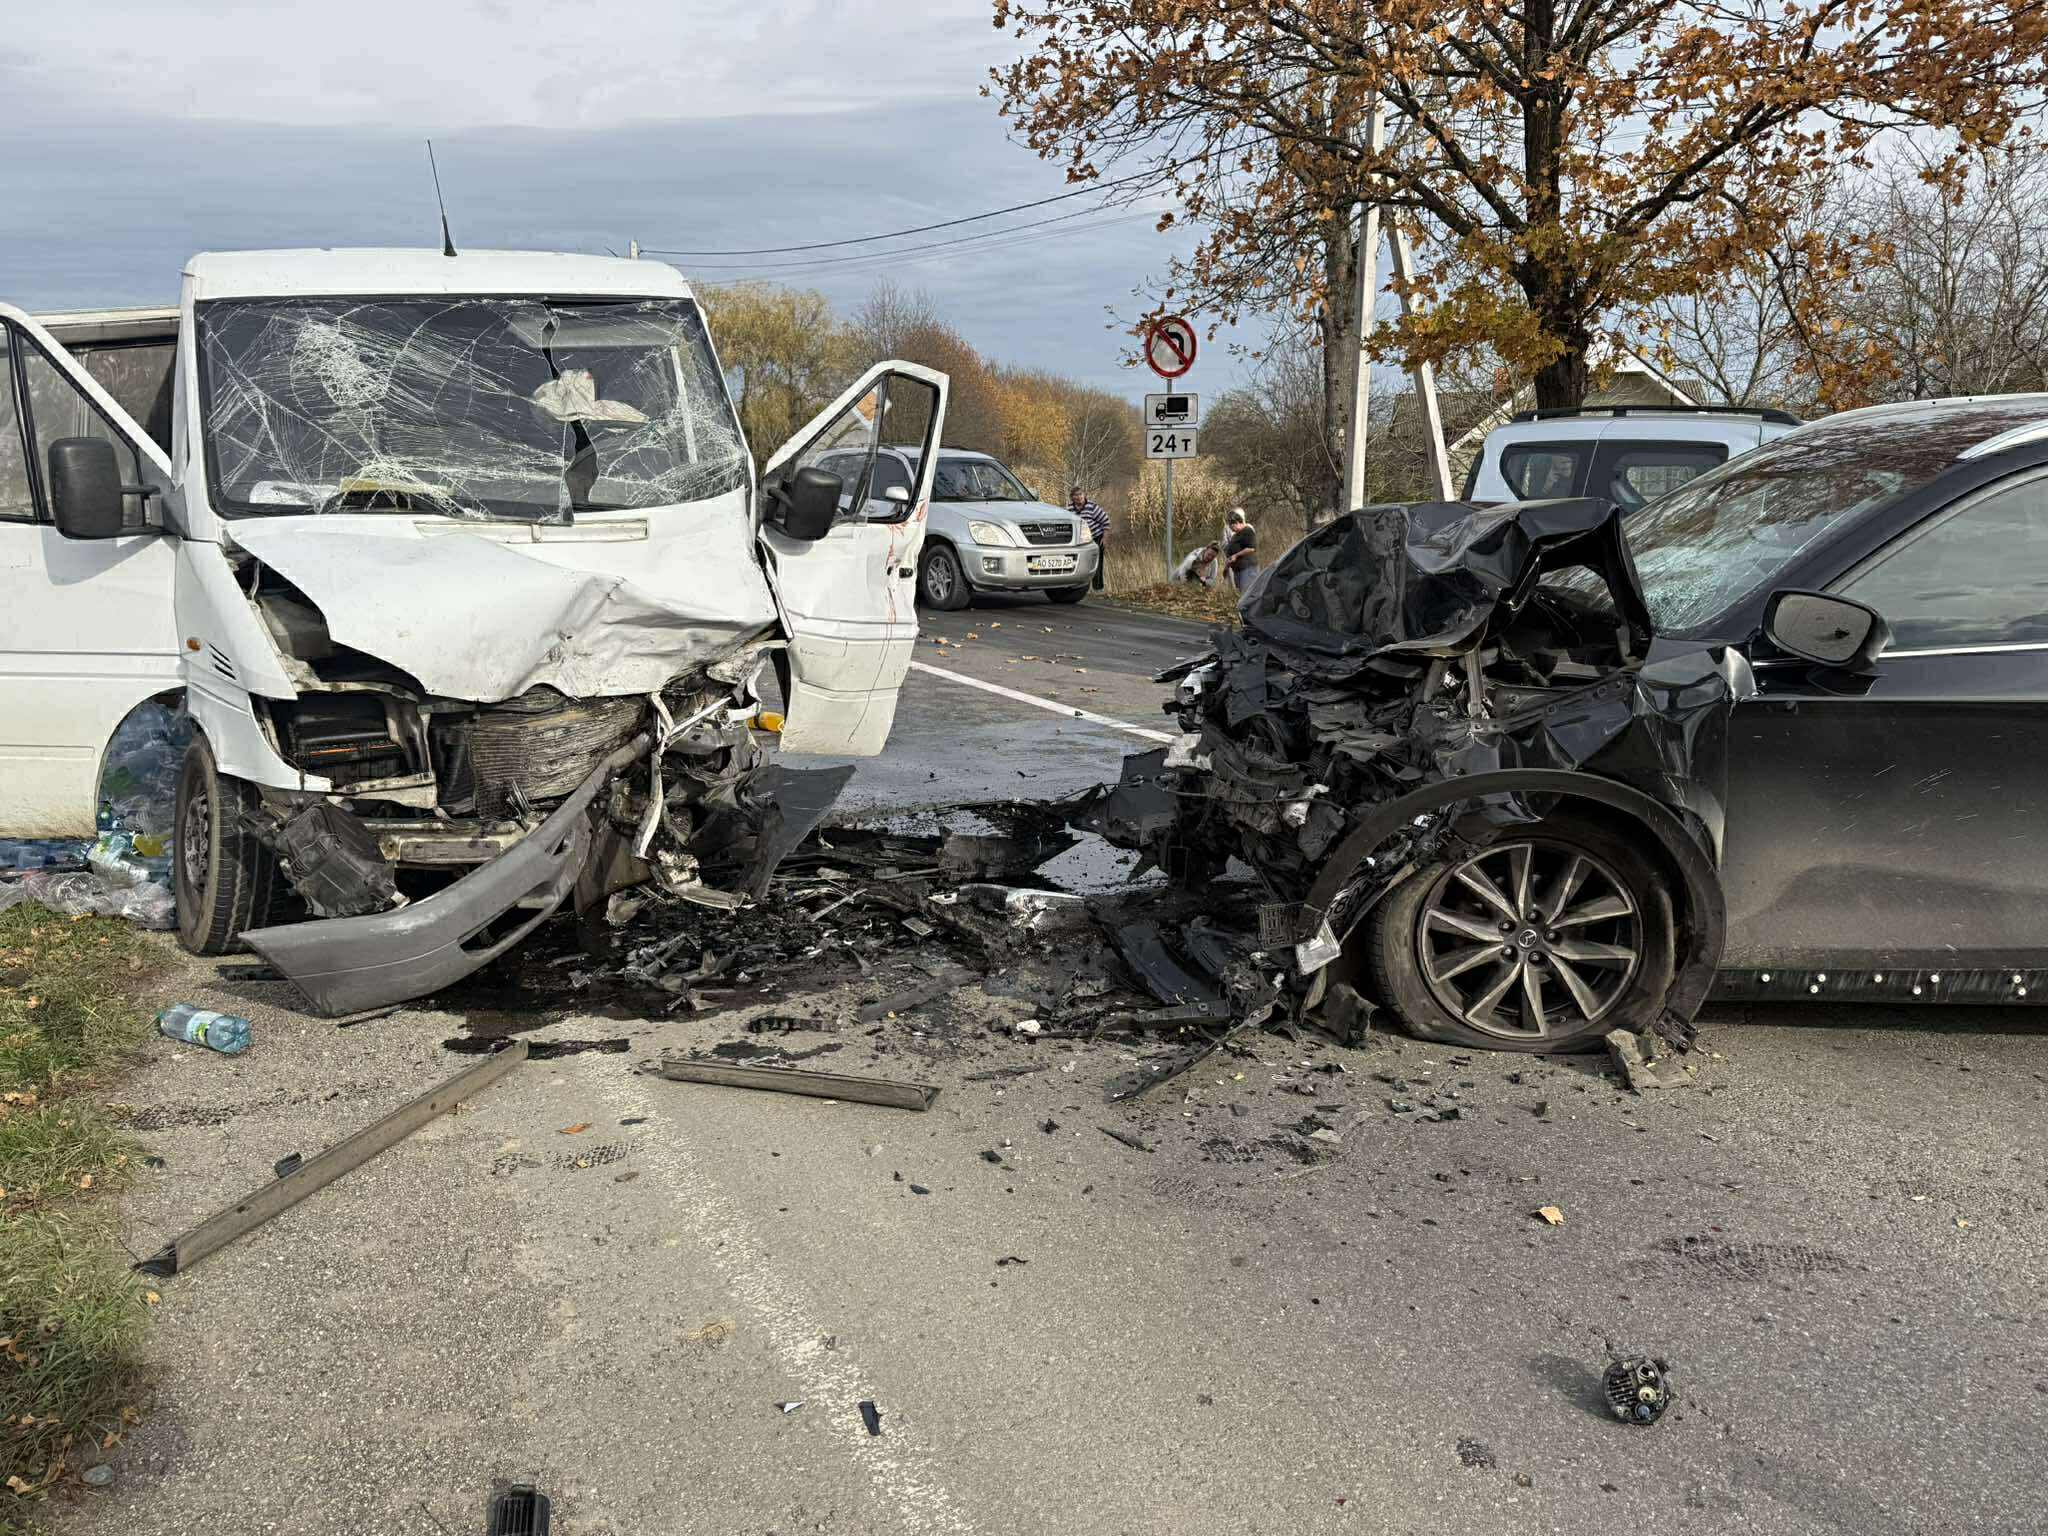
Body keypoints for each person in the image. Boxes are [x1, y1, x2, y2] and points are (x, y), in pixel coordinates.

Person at [1070, 484, 1109, 589]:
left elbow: (1105, 521)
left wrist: (1104, 538)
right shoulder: (1070, 509)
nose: (1079, 497)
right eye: (1076, 495)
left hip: (1096, 537)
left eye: (1081, 494)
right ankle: (1080, 587)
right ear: (1072, 497)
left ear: (1084, 495)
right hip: (1080, 541)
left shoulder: (1091, 506)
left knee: (1097, 564)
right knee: (1082, 564)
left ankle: (1098, 588)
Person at [1223, 507, 1259, 592]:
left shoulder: (1247, 530)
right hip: (1237, 571)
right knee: (1241, 595)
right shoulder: (1235, 535)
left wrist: (1236, 555)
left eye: (1231, 526)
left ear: (1237, 523)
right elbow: (1230, 552)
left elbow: (1251, 548)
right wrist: (1226, 567)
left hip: (1247, 569)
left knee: (1247, 593)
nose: (1231, 529)